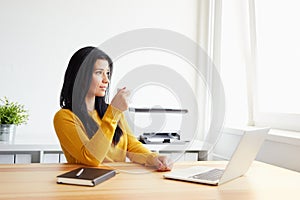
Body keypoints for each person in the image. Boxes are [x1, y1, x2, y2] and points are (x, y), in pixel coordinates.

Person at [53, 46, 172, 171]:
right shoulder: (64, 117)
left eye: (108, 74)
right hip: (87, 185)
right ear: (80, 76)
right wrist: (114, 111)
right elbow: (90, 158)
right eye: (99, 73)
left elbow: (131, 147)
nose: (106, 80)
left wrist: (154, 158)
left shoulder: (112, 112)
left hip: (117, 181)